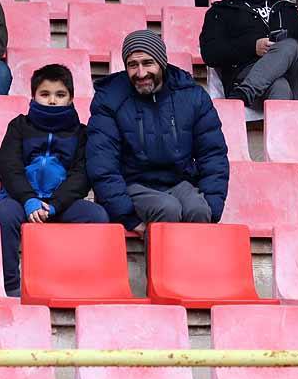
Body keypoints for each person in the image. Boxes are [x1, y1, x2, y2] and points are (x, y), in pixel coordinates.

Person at [87, 30, 229, 234]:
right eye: (132, 65)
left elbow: (212, 154)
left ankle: (194, 267)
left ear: (162, 62)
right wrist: (127, 217)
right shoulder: (109, 98)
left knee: (199, 211)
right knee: (167, 209)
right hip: (133, 184)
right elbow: (102, 162)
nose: (141, 73)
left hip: (180, 182)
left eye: (147, 63)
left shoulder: (192, 95)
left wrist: (212, 209)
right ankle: (162, 267)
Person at [0, 64, 109, 297]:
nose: (52, 101)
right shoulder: (19, 126)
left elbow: (81, 175)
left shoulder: (81, 133)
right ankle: (11, 286)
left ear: (71, 98)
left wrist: (55, 204)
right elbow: (8, 164)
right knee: (4, 215)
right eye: (45, 94)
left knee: (97, 217)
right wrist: (28, 199)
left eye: (60, 95)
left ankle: (80, 281)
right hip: (22, 201)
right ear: (33, 96)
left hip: (59, 204)